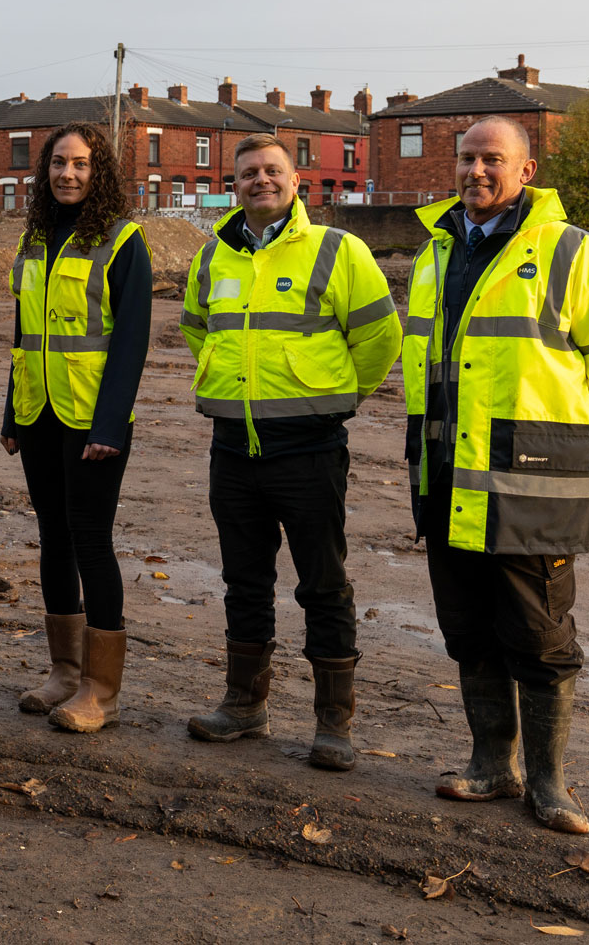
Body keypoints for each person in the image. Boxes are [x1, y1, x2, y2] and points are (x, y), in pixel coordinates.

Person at [404, 116, 589, 835]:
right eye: (468, 158)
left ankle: (550, 783)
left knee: (540, 634)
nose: (477, 171)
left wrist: (588, 461)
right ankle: (491, 766)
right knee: (468, 628)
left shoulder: (583, 256)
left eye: (493, 160)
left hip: (536, 484)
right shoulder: (435, 255)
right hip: (448, 476)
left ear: (527, 170)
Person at [181, 134, 399, 770]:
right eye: (248, 173)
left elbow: (380, 338)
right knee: (244, 582)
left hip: (309, 448)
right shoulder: (213, 256)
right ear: (235, 183)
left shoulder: (339, 250)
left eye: (273, 171)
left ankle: (334, 723)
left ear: (296, 180)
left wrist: (334, 397)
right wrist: (232, 382)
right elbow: (198, 330)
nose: (260, 181)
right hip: (232, 446)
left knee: (323, 585)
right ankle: (244, 704)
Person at [3, 121, 152, 734]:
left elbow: (132, 342)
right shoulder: (33, 238)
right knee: (54, 540)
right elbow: (23, 333)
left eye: (82, 164)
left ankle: (101, 689)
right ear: (46, 171)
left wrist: (111, 424)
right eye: (60, 163)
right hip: (40, 413)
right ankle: (63, 671)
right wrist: (12, 412)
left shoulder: (123, 240)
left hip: (94, 419)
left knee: (91, 540)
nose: (69, 173)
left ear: (101, 172)